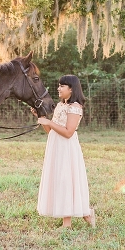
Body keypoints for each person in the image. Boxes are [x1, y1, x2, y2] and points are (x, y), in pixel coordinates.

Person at [31, 75, 95, 229]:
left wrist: (49, 122)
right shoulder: (60, 106)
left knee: (66, 180)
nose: (58, 89)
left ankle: (68, 223)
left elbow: (68, 132)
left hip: (67, 148)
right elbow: (51, 130)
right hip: (55, 146)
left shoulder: (75, 107)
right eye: (59, 85)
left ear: (71, 89)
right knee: (60, 180)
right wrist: (42, 117)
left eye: (62, 86)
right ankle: (87, 214)